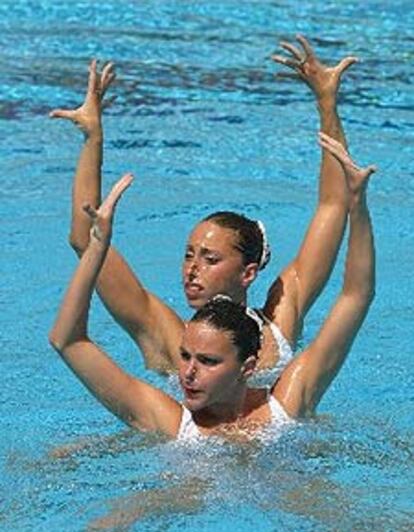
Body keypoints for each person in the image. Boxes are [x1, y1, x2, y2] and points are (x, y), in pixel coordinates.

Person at [49, 35, 358, 381]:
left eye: (210, 259)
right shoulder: (168, 336)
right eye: (188, 255)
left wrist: (327, 103)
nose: (192, 270)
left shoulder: (278, 326)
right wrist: (93, 140)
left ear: (249, 273)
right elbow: (84, 238)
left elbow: (333, 207)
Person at [49, 133, 376, 441]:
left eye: (207, 361)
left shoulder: (285, 406)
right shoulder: (172, 422)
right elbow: (68, 341)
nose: (186, 374)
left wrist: (358, 205)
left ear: (248, 367)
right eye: (184, 356)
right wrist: (97, 247)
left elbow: (356, 295)